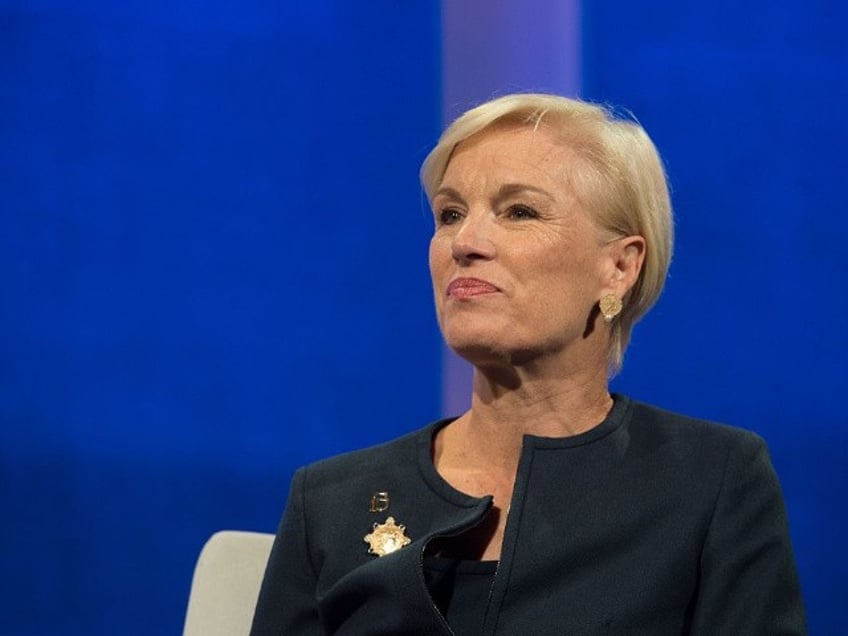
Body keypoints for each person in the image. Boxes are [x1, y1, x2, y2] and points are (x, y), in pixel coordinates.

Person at [250, 93, 805, 635]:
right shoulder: (328, 503)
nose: (464, 242)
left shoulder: (711, 481)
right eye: (449, 213)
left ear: (618, 267)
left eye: (519, 211)